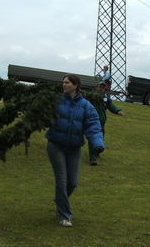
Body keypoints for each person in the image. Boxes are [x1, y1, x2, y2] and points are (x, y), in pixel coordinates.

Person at [45, 74, 104, 227]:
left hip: (74, 148)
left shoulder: (86, 106)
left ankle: (60, 199)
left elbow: (93, 125)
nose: (64, 85)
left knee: (73, 182)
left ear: (76, 85)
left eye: (67, 82)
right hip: (55, 145)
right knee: (62, 180)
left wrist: (97, 143)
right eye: (63, 82)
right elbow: (43, 115)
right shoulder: (56, 101)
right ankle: (64, 215)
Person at [88, 80, 125, 165]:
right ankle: (92, 158)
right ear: (97, 87)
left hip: (101, 123)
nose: (101, 88)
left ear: (105, 89)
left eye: (103, 87)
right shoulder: (92, 97)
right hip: (92, 121)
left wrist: (118, 111)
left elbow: (111, 107)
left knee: (101, 138)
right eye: (100, 87)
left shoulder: (106, 99)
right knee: (93, 138)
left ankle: (96, 152)